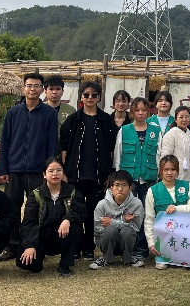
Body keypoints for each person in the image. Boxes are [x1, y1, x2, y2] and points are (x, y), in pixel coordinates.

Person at [0, 72, 58, 261]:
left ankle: (35, 244)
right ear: (23, 88)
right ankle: (12, 244)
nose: (32, 89)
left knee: (37, 208)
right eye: (29, 85)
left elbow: (52, 145)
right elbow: (5, 142)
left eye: (36, 86)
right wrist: (3, 169)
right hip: (14, 169)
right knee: (12, 207)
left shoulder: (49, 113)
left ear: (42, 90)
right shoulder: (13, 112)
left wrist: (48, 170)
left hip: (38, 170)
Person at [60, 80, 117, 260]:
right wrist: (64, 172)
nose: (90, 98)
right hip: (75, 175)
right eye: (86, 95)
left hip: (98, 176)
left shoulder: (106, 120)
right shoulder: (73, 120)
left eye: (94, 95)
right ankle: (75, 246)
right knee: (76, 211)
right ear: (81, 97)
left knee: (93, 212)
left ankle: (89, 247)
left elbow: (112, 149)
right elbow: (64, 147)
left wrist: (109, 174)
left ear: (99, 97)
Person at [16, 156, 86, 276]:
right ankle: (40, 255)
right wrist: (30, 245)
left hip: (62, 236)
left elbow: (81, 213)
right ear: (44, 174)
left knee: (74, 227)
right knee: (26, 263)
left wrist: (67, 219)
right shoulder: (36, 195)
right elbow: (29, 223)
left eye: (59, 170)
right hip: (40, 237)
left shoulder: (72, 192)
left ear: (63, 173)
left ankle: (65, 264)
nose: (55, 174)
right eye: (51, 171)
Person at [113, 96, 160, 266]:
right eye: (137, 110)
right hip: (129, 179)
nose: (140, 113)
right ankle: (128, 248)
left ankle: (142, 249)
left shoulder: (155, 130)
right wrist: (118, 178)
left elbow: (159, 154)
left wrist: (159, 176)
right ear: (132, 112)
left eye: (144, 110)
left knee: (147, 214)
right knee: (129, 214)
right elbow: (118, 155)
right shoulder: (124, 130)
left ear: (149, 112)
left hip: (149, 178)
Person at [145, 155, 190, 270]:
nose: (169, 173)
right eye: (166, 169)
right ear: (160, 171)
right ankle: (164, 256)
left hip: (184, 233)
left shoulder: (187, 186)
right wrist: (151, 243)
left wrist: (177, 208)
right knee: (162, 266)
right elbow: (149, 219)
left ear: (177, 171)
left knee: (187, 263)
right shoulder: (152, 191)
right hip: (163, 236)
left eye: (173, 169)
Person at [89, 169, 144, 269]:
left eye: (124, 185)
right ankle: (106, 257)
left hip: (127, 240)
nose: (120, 189)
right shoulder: (102, 204)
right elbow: (98, 229)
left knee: (127, 231)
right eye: (117, 185)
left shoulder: (136, 204)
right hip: (106, 240)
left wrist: (113, 222)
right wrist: (123, 220)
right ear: (111, 187)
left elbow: (136, 227)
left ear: (130, 188)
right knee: (110, 230)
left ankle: (128, 258)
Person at [160, 105, 190, 190]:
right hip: (175, 180)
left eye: (187, 117)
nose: (184, 119)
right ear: (176, 119)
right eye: (181, 117)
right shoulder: (170, 135)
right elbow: (166, 158)